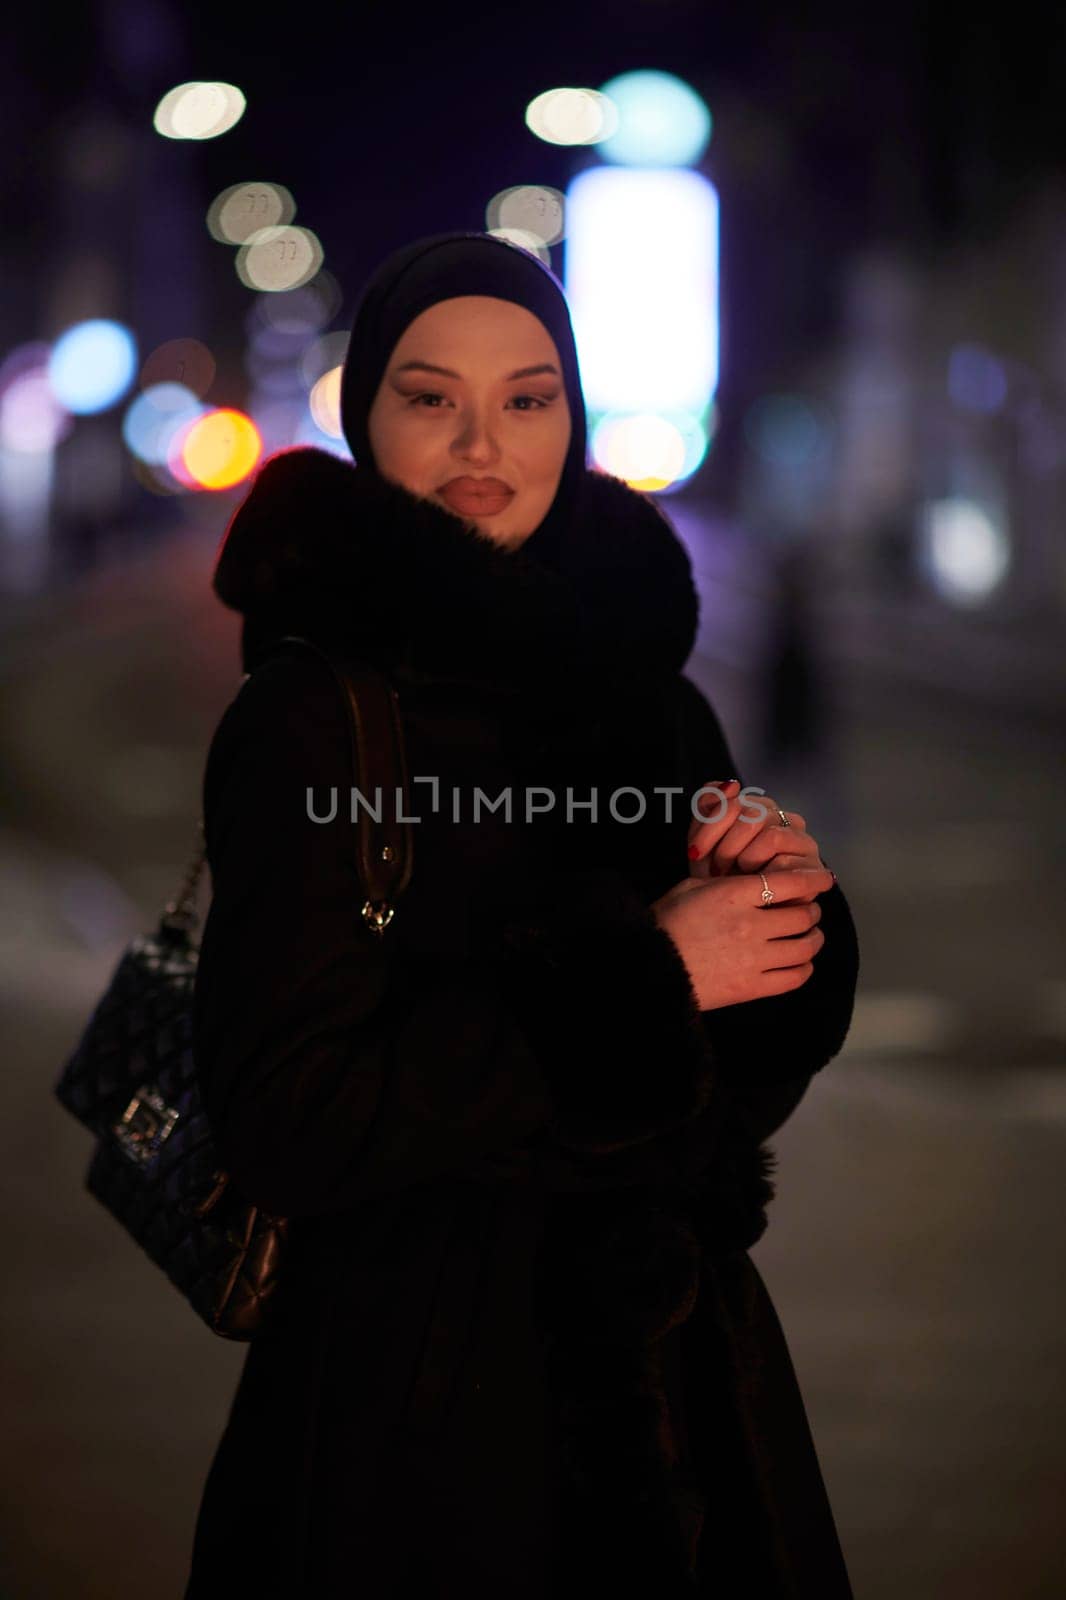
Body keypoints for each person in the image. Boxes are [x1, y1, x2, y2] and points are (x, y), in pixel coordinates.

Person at [185, 231, 860, 1599]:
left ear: (575, 412)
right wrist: (647, 977)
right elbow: (287, 1119)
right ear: (366, 416)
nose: (481, 442)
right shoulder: (317, 717)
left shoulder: (646, 693)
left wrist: (773, 924)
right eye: (429, 396)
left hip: (680, 1389)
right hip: (418, 1409)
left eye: (529, 396)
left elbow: (726, 1107)